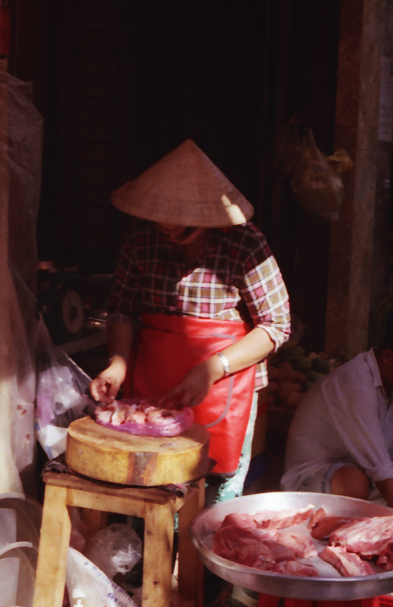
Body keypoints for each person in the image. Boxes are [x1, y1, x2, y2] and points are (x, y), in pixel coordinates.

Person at [90, 139, 291, 504]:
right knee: (151, 493)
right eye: (162, 218)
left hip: (225, 386)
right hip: (153, 387)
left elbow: (276, 326)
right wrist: (117, 365)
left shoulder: (246, 244)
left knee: (212, 500)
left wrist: (213, 368)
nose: (167, 228)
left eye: (181, 222)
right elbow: (122, 309)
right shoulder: (139, 239)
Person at [281, 314, 393, 515]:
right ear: (388, 357)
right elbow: (380, 468)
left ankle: (388, 507)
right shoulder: (356, 384)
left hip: (364, 468)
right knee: (354, 482)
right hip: (314, 476)